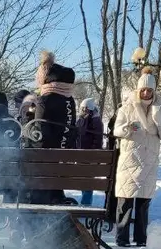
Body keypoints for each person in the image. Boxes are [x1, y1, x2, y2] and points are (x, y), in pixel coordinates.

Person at [113, 67, 161, 247]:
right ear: (138, 90)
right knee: (125, 202)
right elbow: (116, 130)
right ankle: (122, 238)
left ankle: (141, 238)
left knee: (143, 204)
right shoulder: (127, 107)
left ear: (154, 91)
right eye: (143, 90)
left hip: (149, 160)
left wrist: (157, 117)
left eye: (150, 90)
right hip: (130, 160)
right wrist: (127, 128)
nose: (146, 93)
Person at [23, 52, 77, 204]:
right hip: (61, 171)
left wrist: (28, 121)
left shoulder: (45, 100)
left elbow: (39, 137)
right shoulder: (70, 100)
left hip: (44, 172)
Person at [76, 97, 104, 206]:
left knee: (87, 181)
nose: (83, 110)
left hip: (89, 156)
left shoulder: (95, 120)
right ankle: (85, 201)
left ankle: (86, 203)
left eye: (85, 108)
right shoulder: (81, 119)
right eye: (82, 108)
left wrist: (92, 155)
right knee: (84, 180)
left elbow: (98, 140)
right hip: (81, 155)